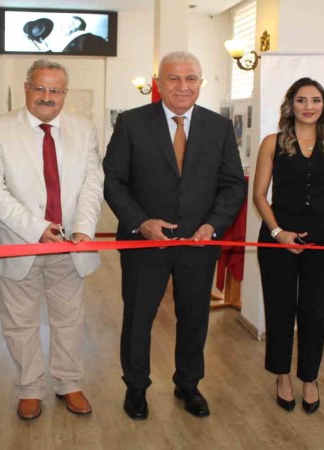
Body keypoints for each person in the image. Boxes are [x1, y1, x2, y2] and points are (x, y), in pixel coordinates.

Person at [104, 51, 246, 420]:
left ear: (200, 83)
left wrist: (212, 225)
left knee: (195, 318)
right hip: (144, 243)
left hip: (199, 244)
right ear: (158, 83)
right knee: (138, 318)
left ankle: (188, 384)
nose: (183, 86)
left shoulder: (219, 127)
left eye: (191, 78)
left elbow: (233, 185)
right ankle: (136, 387)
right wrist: (141, 223)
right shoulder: (132, 123)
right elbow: (114, 181)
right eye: (174, 78)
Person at [0, 59, 103, 421]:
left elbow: (92, 183)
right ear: (26, 88)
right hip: (17, 242)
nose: (48, 96)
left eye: (55, 90)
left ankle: (68, 383)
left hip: (70, 244)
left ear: (65, 93)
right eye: (40, 88)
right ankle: (29, 388)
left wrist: (84, 228)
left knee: (69, 319)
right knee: (20, 321)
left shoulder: (84, 129)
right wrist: (36, 229)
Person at [252, 77, 324, 415]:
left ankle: (310, 378)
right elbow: (259, 196)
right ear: (290, 105)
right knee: (279, 308)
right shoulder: (273, 142)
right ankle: (282, 376)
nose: (309, 107)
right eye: (301, 100)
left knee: (314, 310)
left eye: (316, 100)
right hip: (278, 237)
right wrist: (279, 233)